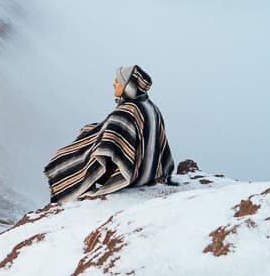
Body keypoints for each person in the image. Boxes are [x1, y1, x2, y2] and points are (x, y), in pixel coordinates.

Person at [44, 64, 175, 203]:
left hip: (132, 176)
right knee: (90, 133)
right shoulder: (152, 108)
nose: (114, 84)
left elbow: (109, 142)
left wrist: (89, 137)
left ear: (128, 86)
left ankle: (71, 188)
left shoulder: (126, 111)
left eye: (117, 81)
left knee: (70, 158)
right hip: (152, 172)